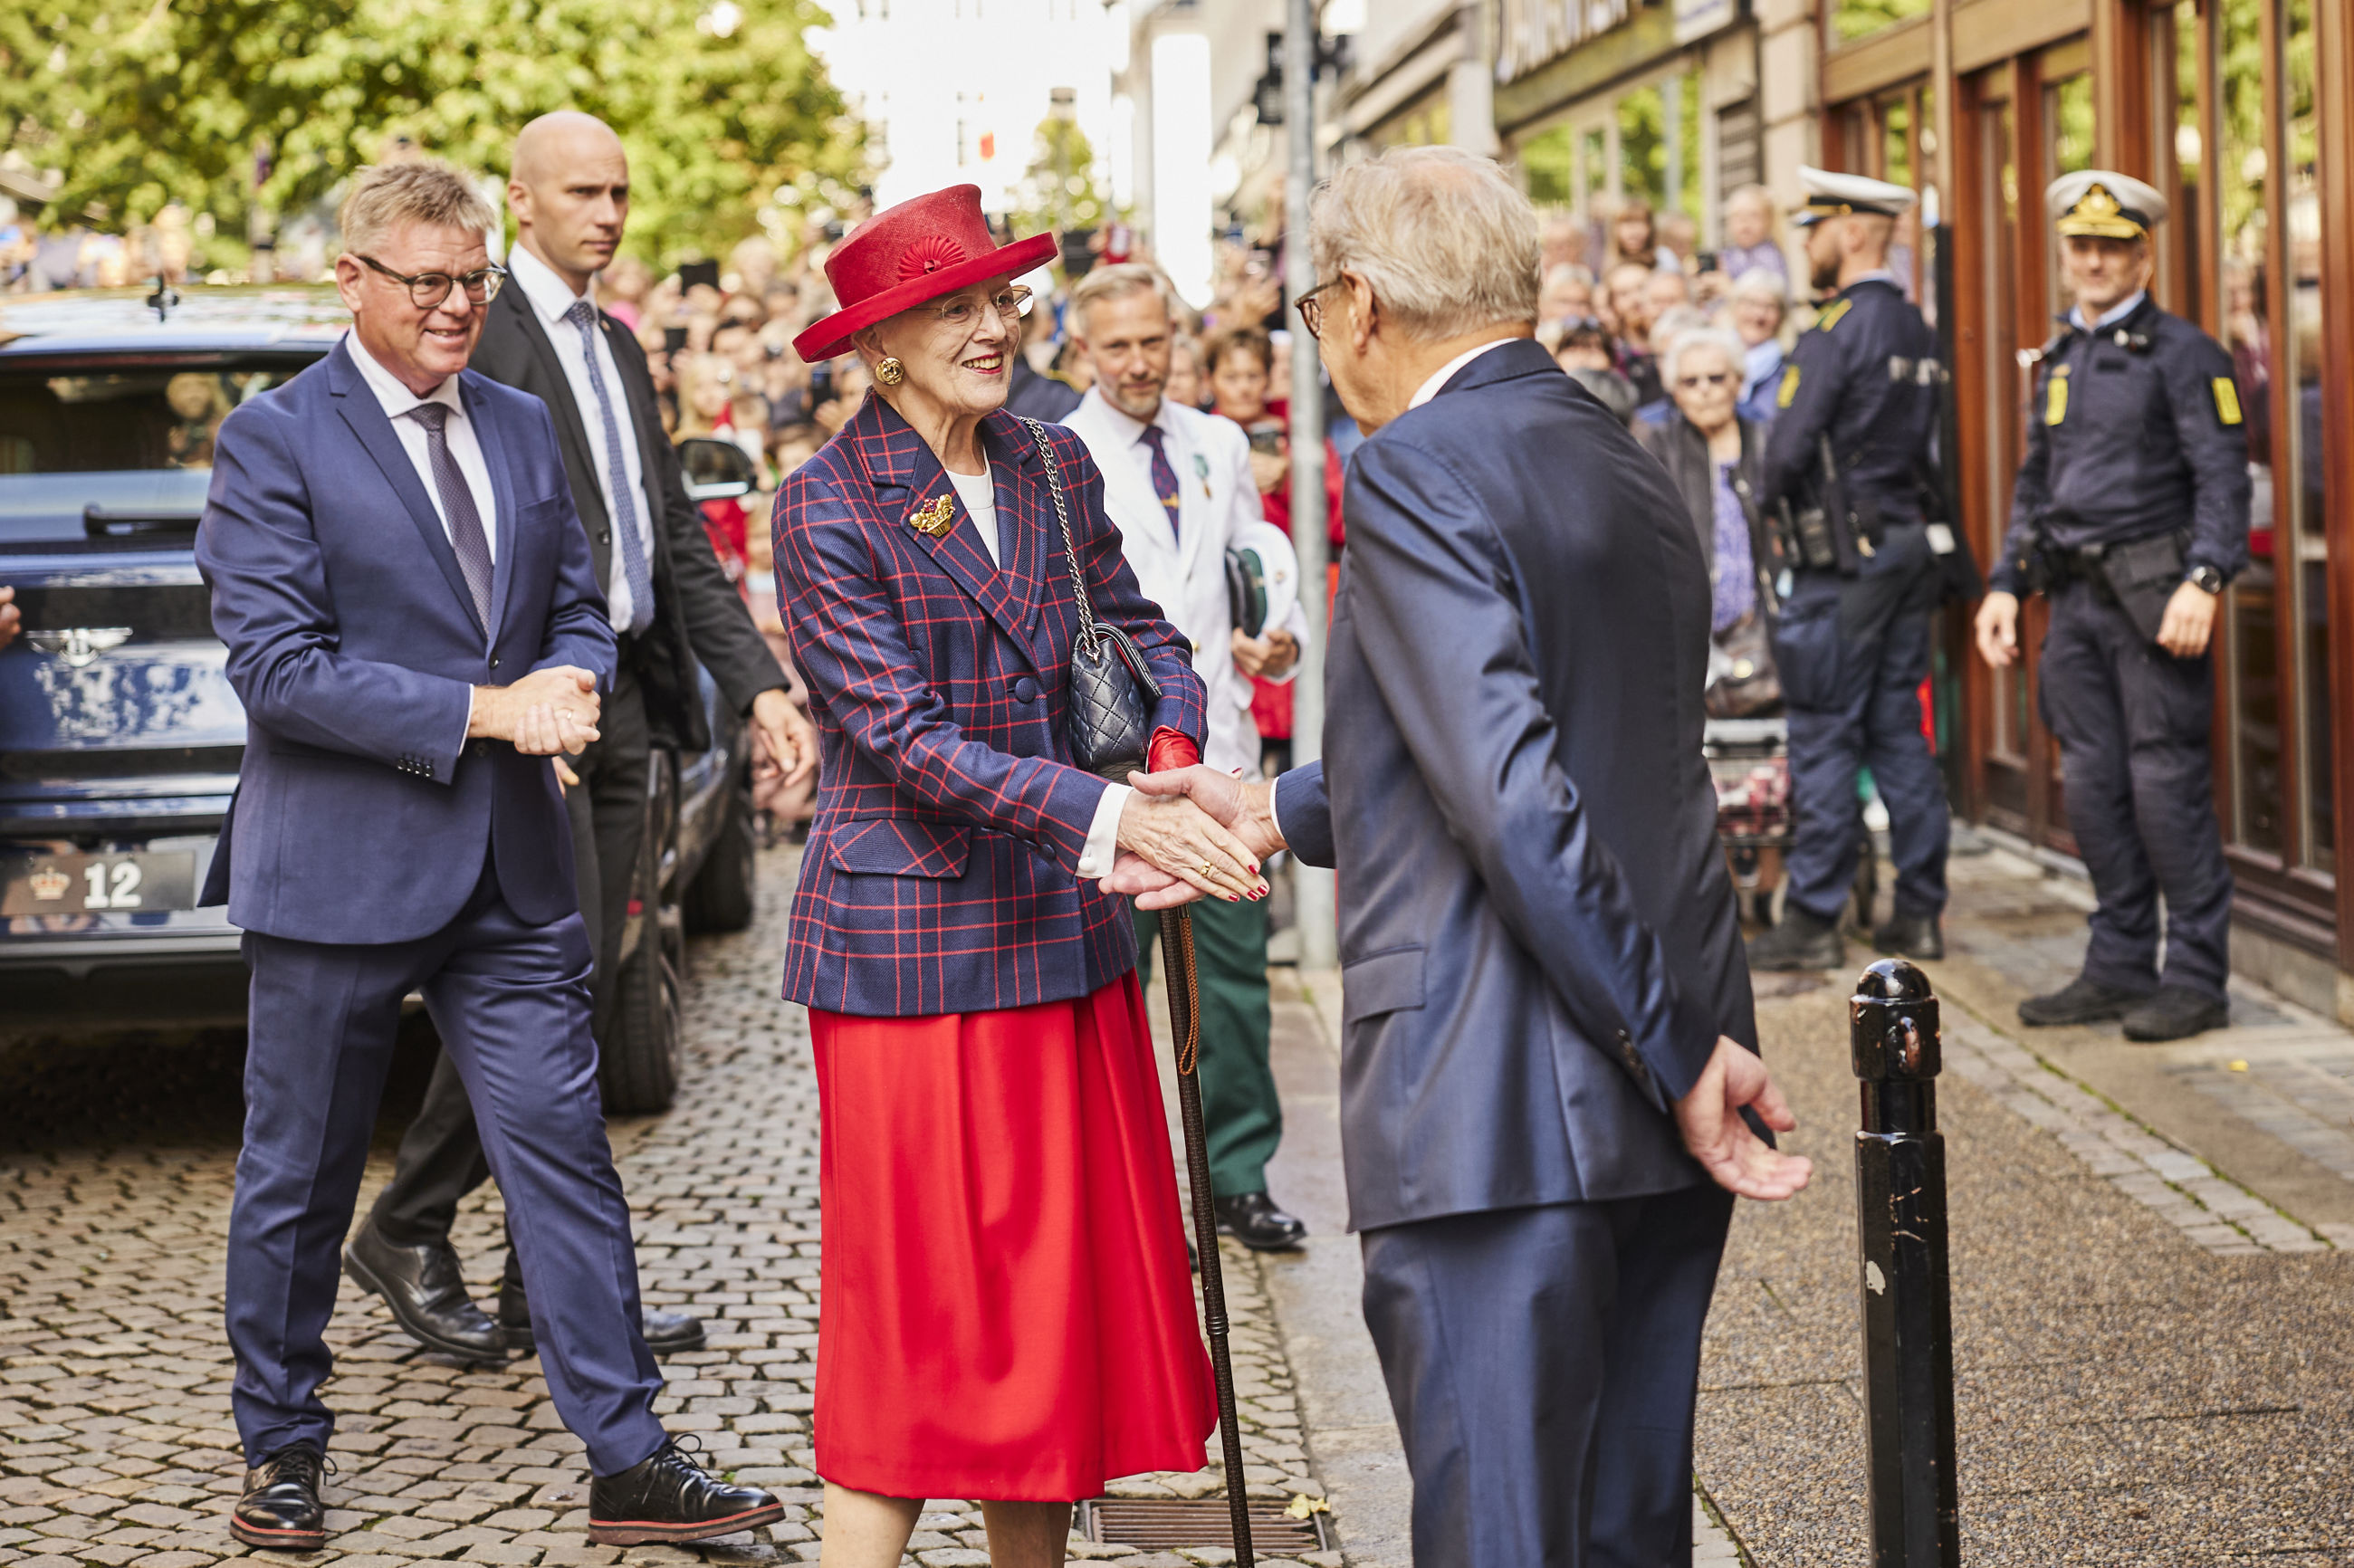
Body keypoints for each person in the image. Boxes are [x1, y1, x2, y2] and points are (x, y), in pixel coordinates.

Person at [1110, 145, 1811, 1567]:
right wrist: (1279, 807)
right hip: (1655, 1061)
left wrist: (1673, 1053)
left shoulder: (1419, 465)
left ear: (1360, 305)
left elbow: (1508, 792)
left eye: (1312, 312)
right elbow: (1564, 735)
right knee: (1626, 1533)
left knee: (1500, 1534)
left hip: (1506, 1105)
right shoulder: (1618, 442)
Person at [195, 159, 782, 1554]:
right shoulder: (272, 440)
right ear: (354, 280)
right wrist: (487, 712)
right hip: (337, 870)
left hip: (512, 872)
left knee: (565, 1157)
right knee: (300, 1177)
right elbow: (278, 672)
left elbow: (579, 603)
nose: (460, 307)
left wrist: (573, 683)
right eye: (429, 283)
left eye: (476, 282)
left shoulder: (521, 425)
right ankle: (280, 1446)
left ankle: (628, 1453)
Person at [772, 184, 1257, 1566]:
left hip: (1061, 933)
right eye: (954, 307)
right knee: (916, 1333)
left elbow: (1140, 628)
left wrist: (1164, 745)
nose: (993, 328)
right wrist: (1113, 824)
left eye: (1001, 301)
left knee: (1047, 1331)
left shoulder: (1052, 465)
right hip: (910, 953)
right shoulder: (823, 509)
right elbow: (901, 739)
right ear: (879, 345)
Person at [342, 113, 817, 1368]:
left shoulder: (612, 342)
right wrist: (509, 706)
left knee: (585, 991)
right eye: (581, 192)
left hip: (627, 708)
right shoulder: (472, 332)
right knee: (539, 997)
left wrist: (759, 685)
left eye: (620, 190)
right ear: (519, 201)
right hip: (527, 723)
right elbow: (445, 543)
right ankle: (419, 1225)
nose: (606, 213)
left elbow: (665, 530)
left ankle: (522, 1278)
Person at [1060, 266, 1313, 1252]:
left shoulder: (1217, 442)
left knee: (1233, 989)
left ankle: (1237, 1176)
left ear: (1176, 340)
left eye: (1151, 341)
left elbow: (1254, 557)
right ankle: (1116, 1197)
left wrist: (1276, 632)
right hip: (1110, 774)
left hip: (1220, 757)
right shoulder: (1053, 452)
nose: (1136, 361)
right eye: (1114, 345)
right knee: (1104, 991)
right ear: (1082, 350)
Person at [1976, 172, 2249, 1042]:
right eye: (2080, 247)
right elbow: (2036, 482)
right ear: (2064, 257)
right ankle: (2121, 962)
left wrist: (2205, 579)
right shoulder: (2060, 356)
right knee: (2093, 790)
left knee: (2165, 787)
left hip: (2154, 600)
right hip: (2077, 603)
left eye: (2111, 246)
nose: (2093, 262)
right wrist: (2005, 585)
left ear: (2144, 254)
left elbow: (2223, 476)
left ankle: (2197, 978)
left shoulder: (2184, 352)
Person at [1746, 167, 1951, 971]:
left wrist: (1764, 494)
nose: (1807, 245)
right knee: (1897, 727)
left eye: (1816, 229)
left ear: (1854, 232)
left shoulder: (1837, 330)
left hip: (1844, 560)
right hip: (1905, 546)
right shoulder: (1913, 325)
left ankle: (1815, 920)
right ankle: (1921, 916)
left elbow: (1786, 451)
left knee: (1826, 731)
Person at [1639, 327, 1773, 648]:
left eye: (1716, 378)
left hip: (1762, 621)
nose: (1704, 390)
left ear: (1738, 382)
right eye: (1690, 381)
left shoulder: (1763, 437)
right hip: (1687, 625)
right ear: (1674, 390)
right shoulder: (1657, 443)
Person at [1727, 266, 1789, 424]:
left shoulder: (1789, 371)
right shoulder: (1713, 359)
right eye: (1751, 303)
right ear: (1735, 307)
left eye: (1769, 307)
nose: (1759, 315)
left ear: (1782, 316)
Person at [1718, 184, 1789, 287]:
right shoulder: (1727, 256)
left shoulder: (1769, 256)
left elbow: (1766, 298)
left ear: (1768, 221)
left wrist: (1728, 290)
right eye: (1737, 216)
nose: (1745, 223)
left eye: (1754, 215)